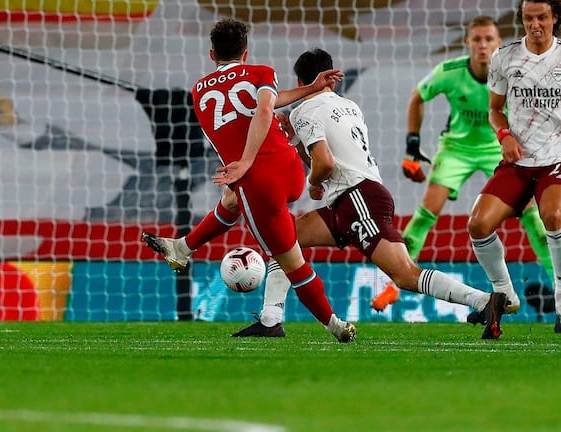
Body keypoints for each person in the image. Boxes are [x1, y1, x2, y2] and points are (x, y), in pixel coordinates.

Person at [148, 48, 509, 340]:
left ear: (300, 81)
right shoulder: (348, 106)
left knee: (403, 274)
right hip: (356, 197)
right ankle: (271, 319)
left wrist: (312, 182)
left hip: (356, 199)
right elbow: (325, 148)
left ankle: (482, 300)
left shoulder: (306, 110)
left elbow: (323, 161)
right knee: (286, 240)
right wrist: (296, 141)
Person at [142, 18, 357, 343]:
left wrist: (245, 162)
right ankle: (182, 248)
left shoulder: (199, 90)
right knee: (231, 200)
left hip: (259, 182)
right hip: (289, 169)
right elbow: (266, 103)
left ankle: (335, 325)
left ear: (212, 54)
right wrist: (312, 88)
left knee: (291, 262)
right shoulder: (261, 72)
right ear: (246, 53)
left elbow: (262, 112)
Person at [385, 15, 561, 318]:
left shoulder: (514, 69)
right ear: (468, 42)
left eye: (489, 39)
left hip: (498, 148)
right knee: (426, 212)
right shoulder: (449, 72)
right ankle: (393, 283)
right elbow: (417, 97)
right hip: (456, 149)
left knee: (534, 216)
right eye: (477, 39)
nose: (482, 45)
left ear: (498, 42)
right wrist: (412, 145)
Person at [466, 0, 561, 335]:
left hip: (557, 159)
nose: (534, 24)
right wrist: (504, 135)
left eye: (541, 17)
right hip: (518, 162)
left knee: (552, 215)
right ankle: (506, 294)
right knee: (478, 224)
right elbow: (495, 109)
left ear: (555, 18)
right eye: (528, 18)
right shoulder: (504, 58)